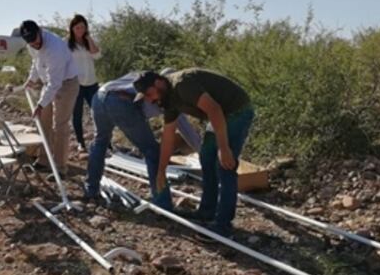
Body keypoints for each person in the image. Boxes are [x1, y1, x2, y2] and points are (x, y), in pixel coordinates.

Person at [134, 68, 254, 236]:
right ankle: (207, 212)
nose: (150, 100)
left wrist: (224, 148)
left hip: (236, 111)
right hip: (218, 116)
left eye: (148, 94)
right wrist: (161, 170)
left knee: (225, 165)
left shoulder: (183, 85)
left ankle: (223, 225)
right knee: (206, 158)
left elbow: (214, 110)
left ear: (158, 83)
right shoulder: (167, 99)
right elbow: (168, 137)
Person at [84, 71, 201, 207]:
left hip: (100, 96)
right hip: (120, 102)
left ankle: (91, 190)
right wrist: (202, 152)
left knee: (100, 142)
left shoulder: (142, 78)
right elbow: (185, 128)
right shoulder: (164, 95)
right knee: (152, 151)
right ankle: (163, 204)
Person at [20, 20, 80, 176]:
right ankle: (43, 161)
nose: (34, 44)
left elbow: (55, 83)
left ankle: (60, 168)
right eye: (31, 43)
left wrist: (40, 105)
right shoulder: (31, 44)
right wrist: (31, 79)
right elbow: (36, 61)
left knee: (60, 125)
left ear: (40, 31)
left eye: (36, 40)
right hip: (48, 83)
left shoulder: (55, 48)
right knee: (43, 122)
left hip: (66, 84)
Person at [67, 14, 101, 152]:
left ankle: (103, 141)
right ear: (72, 29)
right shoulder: (66, 43)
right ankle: (81, 142)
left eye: (82, 27)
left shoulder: (89, 41)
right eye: (77, 27)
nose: (80, 30)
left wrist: (88, 39)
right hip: (76, 84)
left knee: (98, 112)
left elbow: (97, 55)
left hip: (92, 82)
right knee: (77, 114)